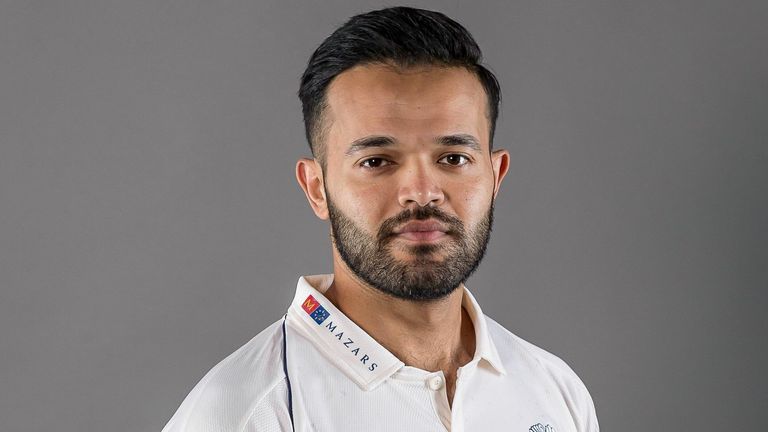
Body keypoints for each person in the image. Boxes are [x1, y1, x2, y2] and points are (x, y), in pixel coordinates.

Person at [162, 6, 599, 432]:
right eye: (376, 161)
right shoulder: (242, 414)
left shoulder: (554, 391)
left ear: (495, 175)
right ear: (317, 188)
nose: (423, 192)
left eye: (453, 157)